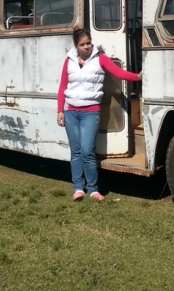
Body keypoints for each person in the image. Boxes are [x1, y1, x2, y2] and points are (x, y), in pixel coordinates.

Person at [57, 28, 142, 201]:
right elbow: (63, 87)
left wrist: (137, 76)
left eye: (88, 43)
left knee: (88, 151)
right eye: (82, 44)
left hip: (90, 112)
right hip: (71, 111)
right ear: (76, 46)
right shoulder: (69, 60)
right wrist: (60, 110)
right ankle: (78, 188)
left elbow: (119, 73)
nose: (86, 47)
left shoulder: (100, 59)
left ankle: (94, 189)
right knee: (76, 152)